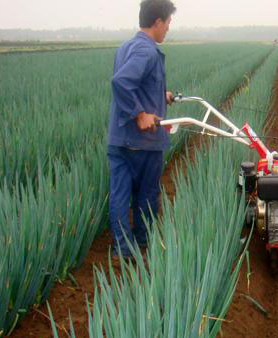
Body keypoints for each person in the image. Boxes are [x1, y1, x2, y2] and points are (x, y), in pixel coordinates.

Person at [107, 0, 176, 258]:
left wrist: (161, 94)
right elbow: (122, 82)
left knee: (119, 195)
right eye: (168, 23)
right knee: (146, 194)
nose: (168, 28)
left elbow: (134, 83)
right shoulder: (147, 52)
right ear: (157, 22)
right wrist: (139, 114)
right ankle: (143, 244)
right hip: (142, 142)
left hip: (118, 139)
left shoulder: (126, 47)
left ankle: (121, 250)